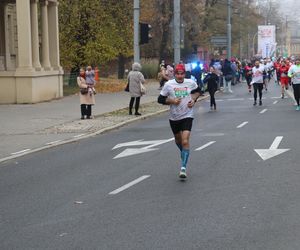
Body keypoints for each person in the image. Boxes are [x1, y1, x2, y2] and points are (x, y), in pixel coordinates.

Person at [157, 64, 201, 179]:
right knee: (178, 140)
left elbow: (198, 91)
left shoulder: (190, 82)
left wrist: (193, 99)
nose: (180, 76)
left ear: (184, 74)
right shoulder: (168, 85)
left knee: (185, 141)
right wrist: (172, 100)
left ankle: (183, 167)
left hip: (187, 115)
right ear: (174, 74)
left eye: (182, 74)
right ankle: (185, 153)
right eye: (178, 74)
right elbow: (160, 99)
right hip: (174, 117)